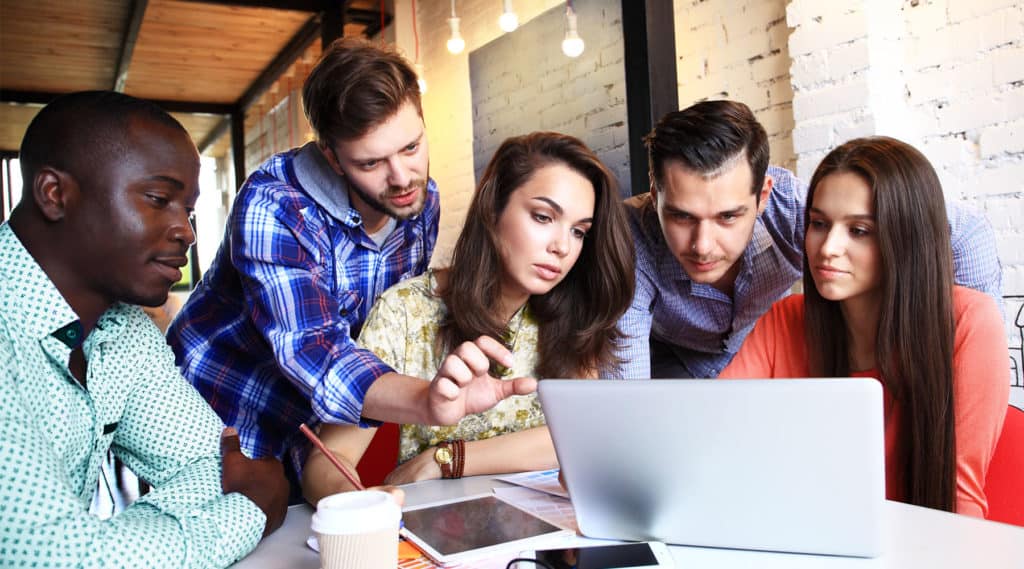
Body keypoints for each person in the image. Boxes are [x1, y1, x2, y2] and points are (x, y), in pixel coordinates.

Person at [166, 38, 534, 491]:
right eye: (371, 162)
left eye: (412, 147)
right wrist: (428, 400)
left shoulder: (422, 201)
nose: (401, 177)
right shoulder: (275, 208)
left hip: (319, 423)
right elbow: (315, 352)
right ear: (332, 159)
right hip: (221, 407)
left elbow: (392, 316)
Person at [0, 91, 289, 567]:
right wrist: (247, 510)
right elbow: (51, 557)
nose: (187, 233)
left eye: (189, 210)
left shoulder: (125, 331)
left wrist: (112, 550)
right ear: (55, 194)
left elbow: (213, 467)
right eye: (159, 199)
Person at [301, 132, 635, 503]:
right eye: (543, 217)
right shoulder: (407, 313)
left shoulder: (574, 310)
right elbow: (328, 460)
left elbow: (580, 437)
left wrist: (448, 459)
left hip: (548, 530)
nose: (562, 247)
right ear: (492, 210)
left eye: (578, 231)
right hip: (439, 531)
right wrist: (359, 508)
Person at [720, 136, 1009, 518]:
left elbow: (960, 497)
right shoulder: (787, 317)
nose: (827, 248)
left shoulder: (968, 320)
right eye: (819, 224)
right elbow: (716, 435)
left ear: (905, 238)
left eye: (858, 231)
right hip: (810, 538)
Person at [616, 100, 1003, 379]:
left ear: (763, 196)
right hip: (670, 360)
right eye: (682, 216)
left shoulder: (801, 210)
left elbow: (965, 232)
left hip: (758, 355)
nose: (703, 245)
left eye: (729, 216)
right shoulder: (627, 239)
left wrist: (967, 355)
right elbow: (626, 389)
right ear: (654, 191)